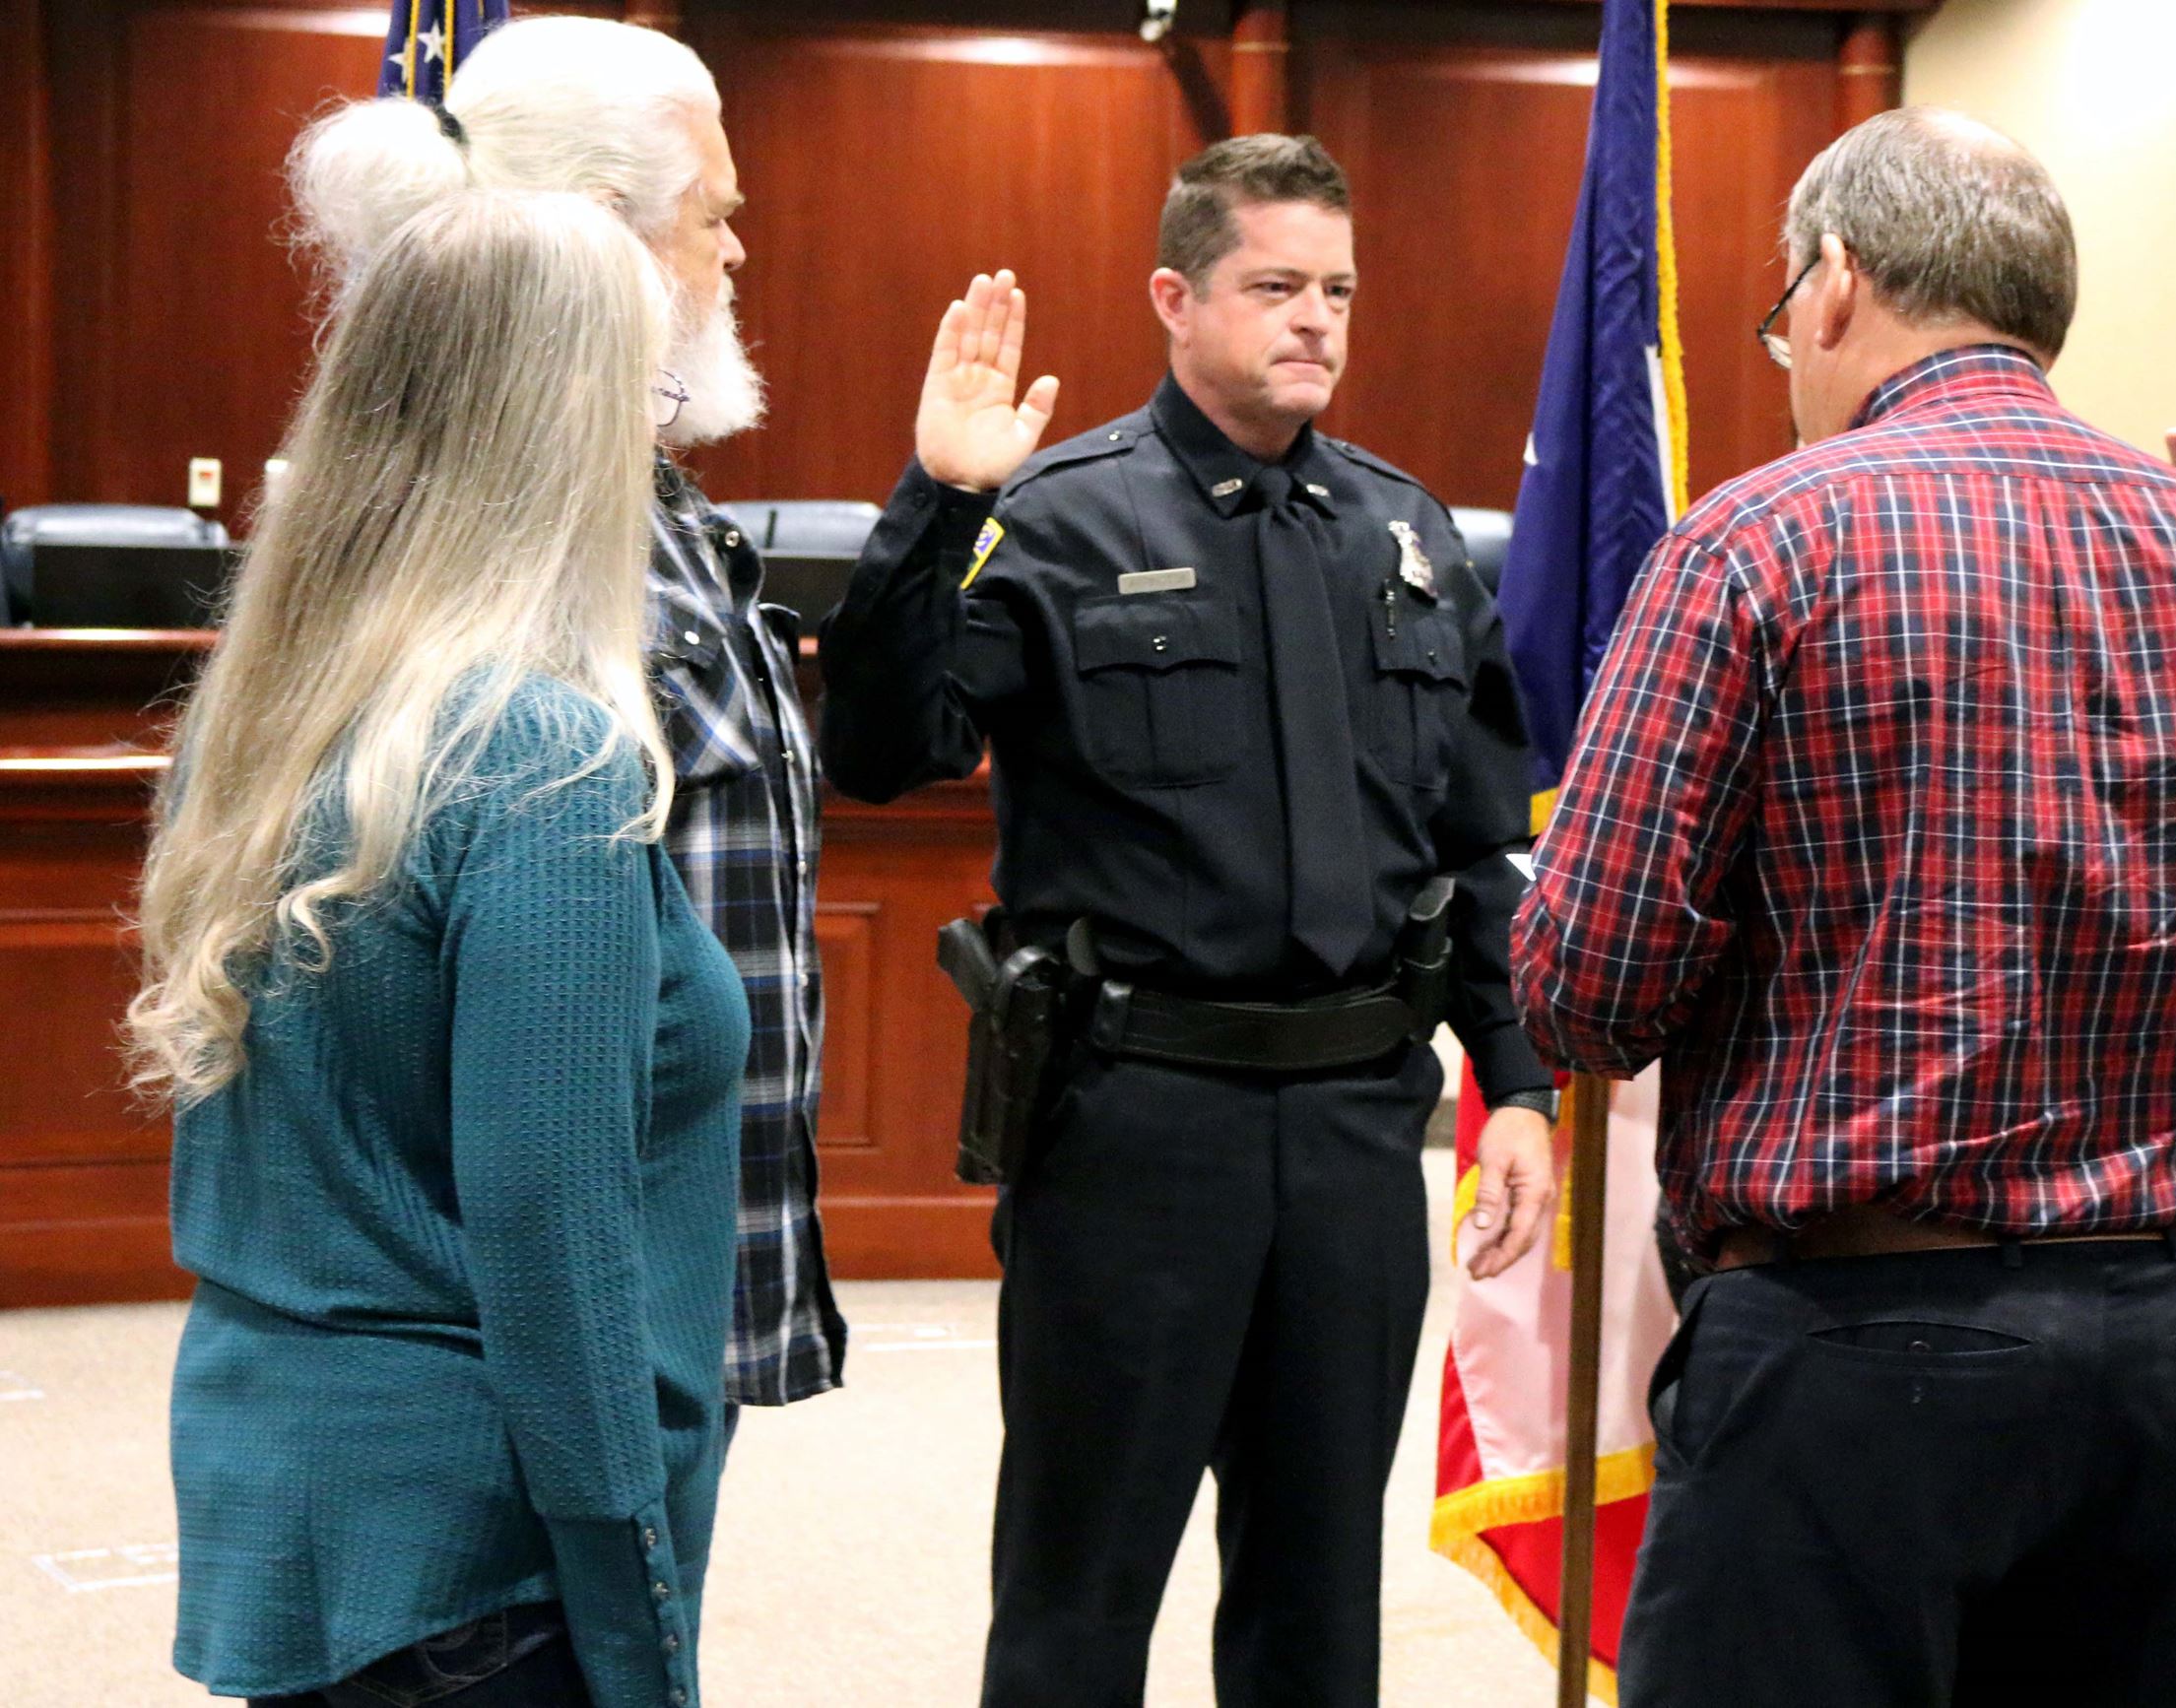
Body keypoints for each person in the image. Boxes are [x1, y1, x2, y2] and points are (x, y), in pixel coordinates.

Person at [1513, 107, 2176, 1708]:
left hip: (1852, 1339)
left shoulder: (1757, 538)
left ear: (1831, 287)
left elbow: (1587, 990)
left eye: (1778, 320)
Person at [819, 135, 1559, 1706]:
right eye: (1275, 285)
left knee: (1316, 1601)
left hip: (1360, 1131)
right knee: (1082, 1591)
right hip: (1137, 1127)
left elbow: (1477, 845)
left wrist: (1522, 1086)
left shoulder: (1408, 535)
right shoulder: (1062, 516)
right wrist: (941, 499)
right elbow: (883, 750)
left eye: (1338, 289)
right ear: (1175, 295)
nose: (1316, 320)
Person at [128, 189, 740, 1708]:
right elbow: (556, 1257)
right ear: (567, 426)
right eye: (648, 396)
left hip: (289, 1486)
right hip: (484, 1558)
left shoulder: (268, 708)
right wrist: (639, 1633)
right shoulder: (545, 758)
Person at [289, 15, 845, 1419]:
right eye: (713, 214)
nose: (736, 252)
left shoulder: (646, 498)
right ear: (606, 235)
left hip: (673, 1259)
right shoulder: (504, 541)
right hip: (577, 1318)